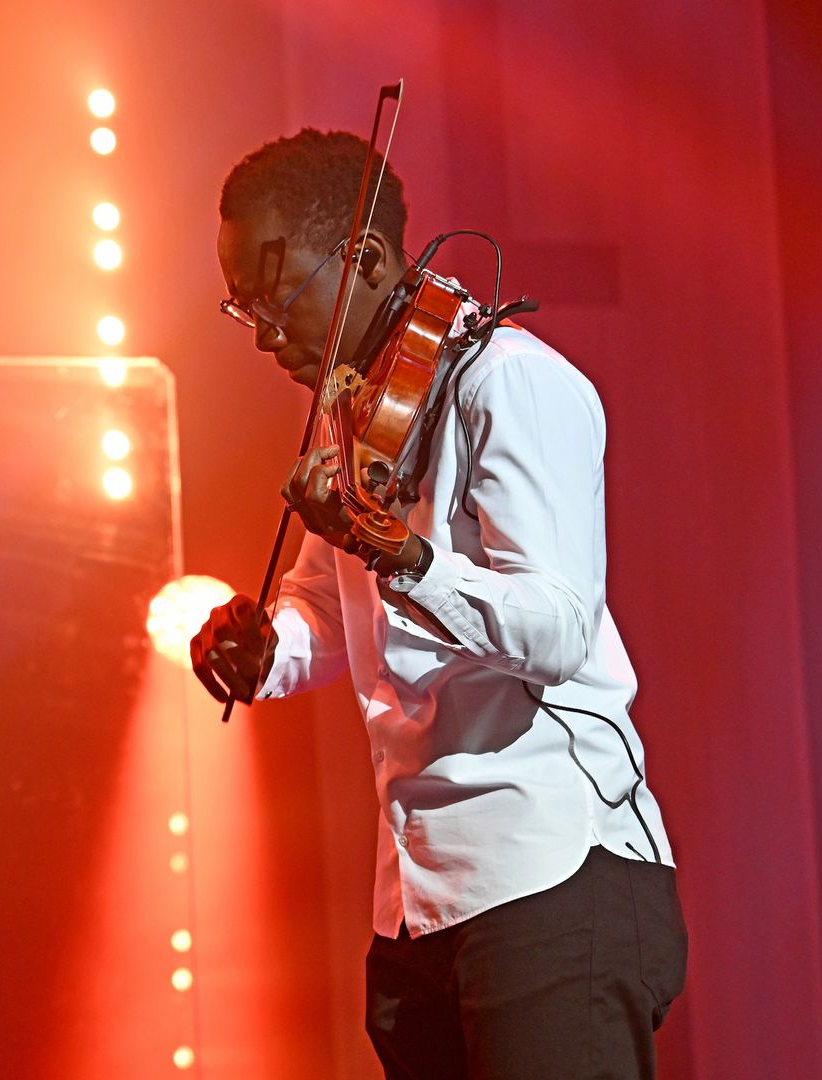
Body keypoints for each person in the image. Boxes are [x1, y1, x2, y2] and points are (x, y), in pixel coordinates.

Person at [190, 129, 687, 1079]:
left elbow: (556, 625)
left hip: (552, 876)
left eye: (277, 296)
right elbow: (324, 610)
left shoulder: (511, 381)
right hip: (416, 905)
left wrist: (401, 554)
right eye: (241, 307)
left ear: (366, 259)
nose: (261, 335)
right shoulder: (352, 413)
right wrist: (269, 648)